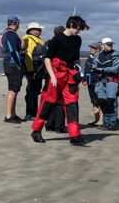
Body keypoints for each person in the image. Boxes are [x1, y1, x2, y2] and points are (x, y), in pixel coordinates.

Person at [31, 15, 88, 145]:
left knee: (72, 104)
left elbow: (75, 59)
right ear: (72, 25)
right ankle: (36, 130)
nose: (79, 31)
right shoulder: (56, 39)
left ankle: (74, 135)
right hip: (56, 74)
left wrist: (80, 74)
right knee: (48, 103)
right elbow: (47, 59)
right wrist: (52, 76)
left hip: (70, 75)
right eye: (79, 28)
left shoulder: (78, 40)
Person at [92, 37, 119, 130]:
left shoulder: (115, 55)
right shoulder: (98, 55)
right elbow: (94, 65)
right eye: (108, 44)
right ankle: (106, 122)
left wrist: (101, 69)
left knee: (110, 102)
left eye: (111, 44)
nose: (111, 46)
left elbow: (115, 69)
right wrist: (96, 69)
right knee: (102, 102)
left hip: (112, 81)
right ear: (102, 45)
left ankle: (111, 124)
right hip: (100, 82)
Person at [0, 16, 25, 122]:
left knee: (14, 89)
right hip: (13, 64)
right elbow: (13, 50)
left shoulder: (5, 33)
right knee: (13, 90)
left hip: (9, 63)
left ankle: (13, 114)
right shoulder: (10, 34)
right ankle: (9, 116)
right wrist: (19, 64)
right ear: (17, 23)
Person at [21, 22, 46, 121]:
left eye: (39, 29)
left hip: (39, 69)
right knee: (32, 91)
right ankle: (30, 113)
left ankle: (34, 112)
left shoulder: (38, 39)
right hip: (33, 69)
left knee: (35, 91)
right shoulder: (28, 39)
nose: (39, 31)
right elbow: (28, 56)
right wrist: (31, 70)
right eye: (37, 29)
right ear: (31, 30)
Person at [83, 43, 102, 126]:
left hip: (98, 82)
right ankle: (96, 120)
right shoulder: (89, 58)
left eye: (93, 48)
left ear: (98, 49)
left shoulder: (100, 58)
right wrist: (84, 79)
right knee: (94, 102)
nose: (91, 49)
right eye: (90, 47)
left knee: (100, 102)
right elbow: (86, 70)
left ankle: (101, 120)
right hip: (90, 83)